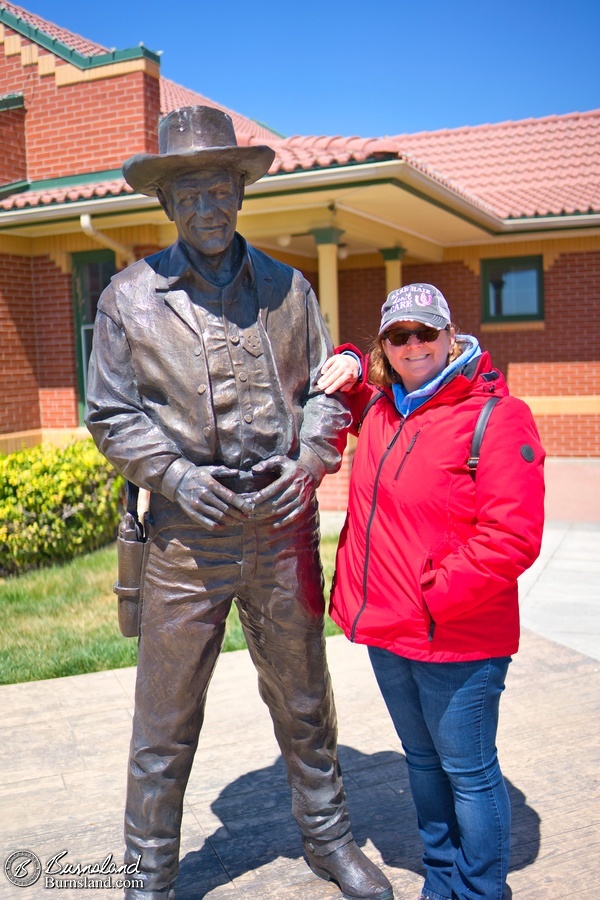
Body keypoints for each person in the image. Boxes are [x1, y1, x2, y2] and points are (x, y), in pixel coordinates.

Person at [86, 106, 393, 900]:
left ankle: (329, 839)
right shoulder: (128, 299)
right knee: (165, 717)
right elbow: (111, 415)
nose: (206, 209)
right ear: (167, 206)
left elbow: (332, 389)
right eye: (187, 195)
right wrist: (179, 478)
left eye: (218, 190)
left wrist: (315, 457)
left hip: (284, 526)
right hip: (188, 538)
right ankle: (148, 874)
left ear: (240, 193)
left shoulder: (290, 289)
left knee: (303, 697)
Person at [317, 283, 545, 900]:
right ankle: (440, 878)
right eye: (398, 336)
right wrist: (348, 356)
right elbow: (352, 385)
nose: (413, 345)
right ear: (385, 347)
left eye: (425, 332)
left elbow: (513, 537)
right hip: (390, 633)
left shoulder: (495, 416)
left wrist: (433, 598)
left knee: (469, 774)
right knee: (421, 764)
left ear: (451, 336)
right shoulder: (386, 409)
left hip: (456, 637)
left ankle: (480, 890)